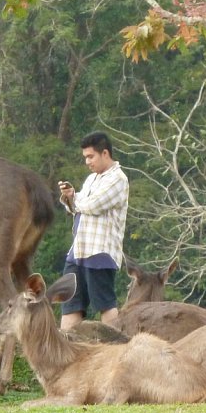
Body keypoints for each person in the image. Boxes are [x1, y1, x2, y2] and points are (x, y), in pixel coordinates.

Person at [58, 131, 129, 330]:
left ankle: (116, 351)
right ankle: (67, 354)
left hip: (100, 252)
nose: (88, 162)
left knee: (105, 305)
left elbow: (94, 205)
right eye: (85, 157)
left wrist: (76, 199)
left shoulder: (118, 179)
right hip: (78, 251)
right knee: (70, 305)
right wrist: (70, 196)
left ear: (104, 153)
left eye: (91, 156)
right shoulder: (91, 179)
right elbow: (76, 208)